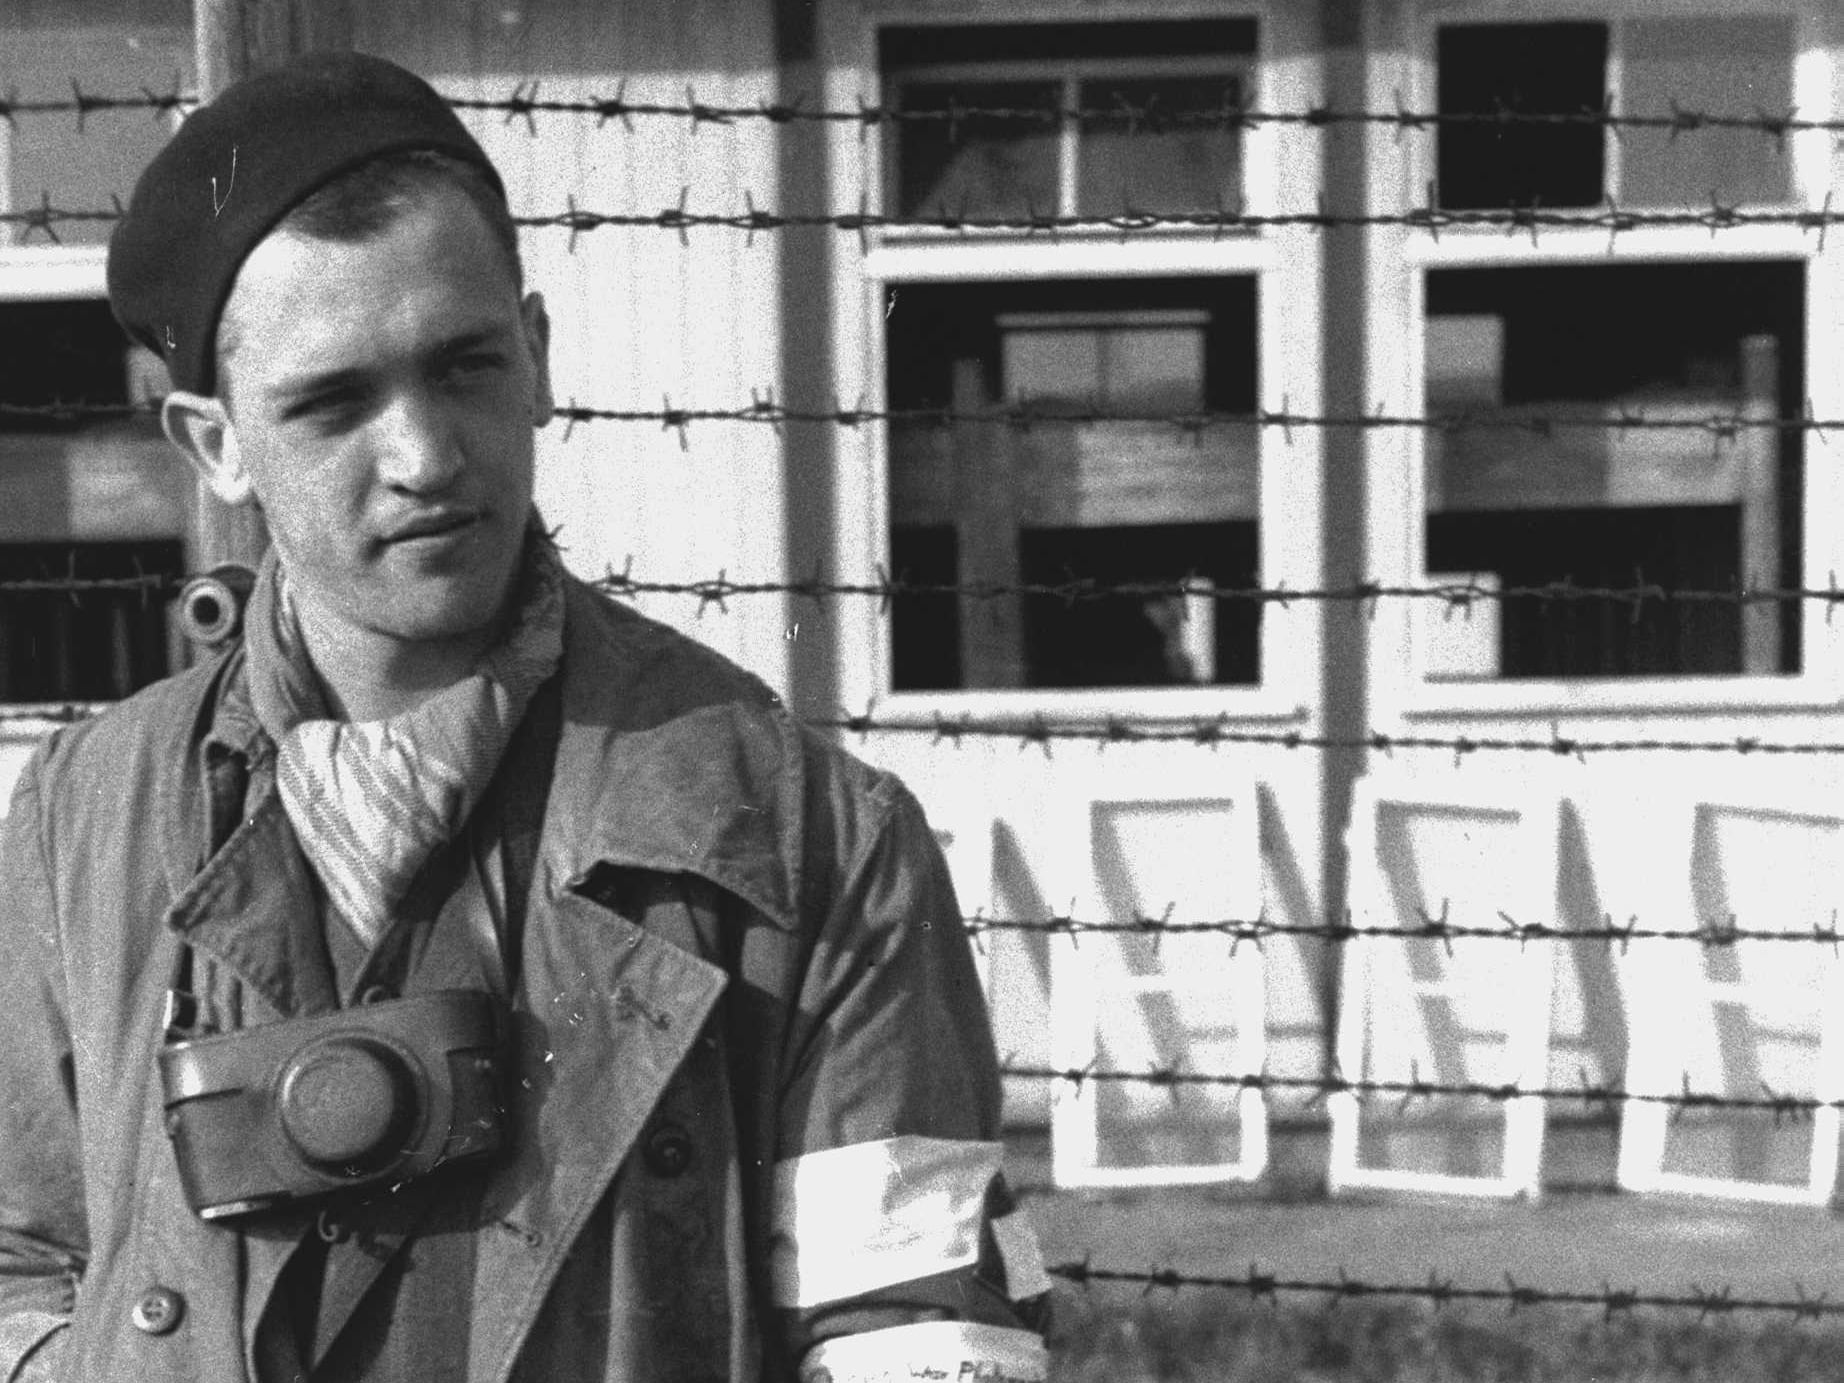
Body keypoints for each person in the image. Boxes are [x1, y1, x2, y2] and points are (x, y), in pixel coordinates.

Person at [0, 51, 1049, 1383]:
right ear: (215, 445)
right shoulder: (83, 818)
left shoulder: (808, 844)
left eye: (465, 367)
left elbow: (916, 1335)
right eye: (332, 404)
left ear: (538, 356)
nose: (426, 456)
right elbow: (18, 1257)